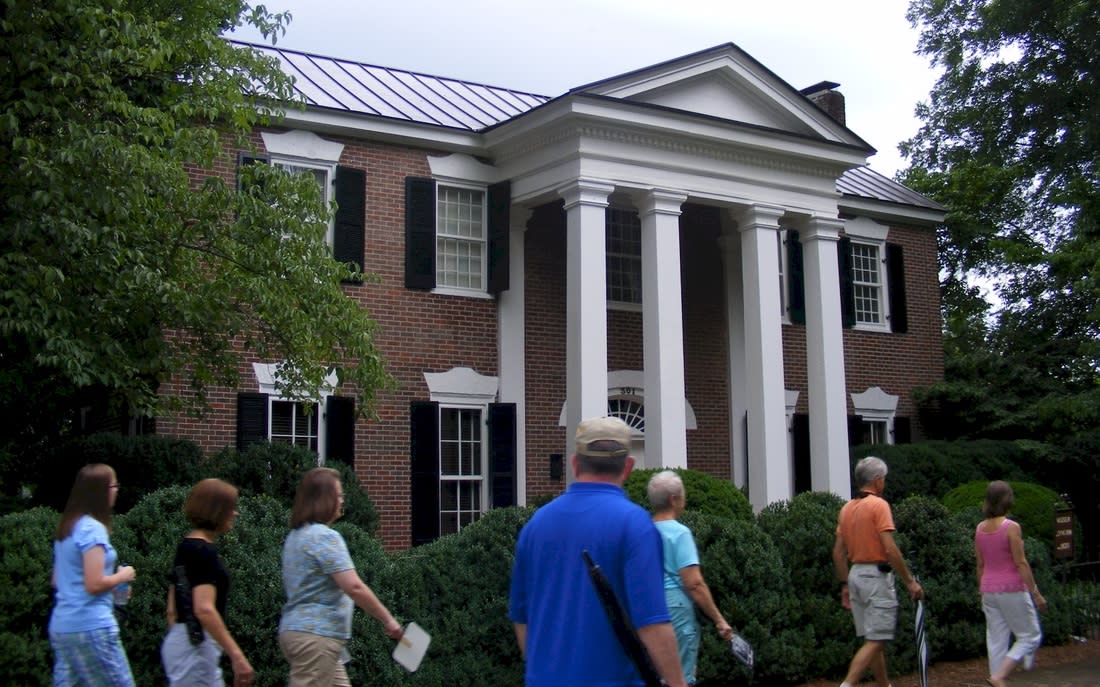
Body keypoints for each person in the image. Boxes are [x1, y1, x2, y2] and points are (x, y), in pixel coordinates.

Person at [509, 416, 688, 687]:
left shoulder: (535, 525)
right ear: (628, 467)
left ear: (575, 463)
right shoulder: (635, 524)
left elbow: (522, 621)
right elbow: (652, 625)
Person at [279, 467, 404, 686]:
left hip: (300, 632)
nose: (342, 500)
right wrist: (387, 619)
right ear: (324, 500)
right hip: (316, 637)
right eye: (338, 495)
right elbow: (353, 586)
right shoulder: (325, 537)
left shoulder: (295, 536)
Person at [832, 456, 923, 687]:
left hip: (855, 576)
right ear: (877, 480)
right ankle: (847, 685)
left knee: (872, 639)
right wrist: (909, 581)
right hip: (875, 576)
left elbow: (837, 553)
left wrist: (844, 585)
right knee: (876, 640)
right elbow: (890, 549)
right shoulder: (879, 505)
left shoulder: (846, 508)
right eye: (883, 479)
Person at [49, 463, 137, 687]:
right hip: (91, 626)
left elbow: (58, 580)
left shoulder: (67, 528)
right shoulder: (92, 529)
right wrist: (122, 576)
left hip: (63, 627)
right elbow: (94, 584)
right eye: (114, 485)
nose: (117, 490)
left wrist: (112, 586)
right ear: (102, 491)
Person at [161, 478, 255, 686]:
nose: (235, 513)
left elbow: (171, 609)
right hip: (197, 645)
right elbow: (204, 609)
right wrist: (237, 656)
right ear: (217, 511)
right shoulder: (206, 553)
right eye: (231, 508)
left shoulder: (184, 547)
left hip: (178, 641)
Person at [648, 470, 735, 686]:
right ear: (674, 499)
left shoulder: (643, 531)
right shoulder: (680, 534)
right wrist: (719, 619)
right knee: (679, 676)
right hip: (676, 610)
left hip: (648, 607)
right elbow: (694, 583)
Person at [975, 480, 1046, 687]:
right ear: (1008, 500)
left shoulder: (980, 529)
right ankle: (999, 677)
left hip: (988, 589)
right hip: (1012, 588)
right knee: (1030, 636)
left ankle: (996, 679)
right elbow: (1021, 562)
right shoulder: (1011, 527)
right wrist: (1036, 593)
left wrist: (982, 590)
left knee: (996, 640)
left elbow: (980, 564)